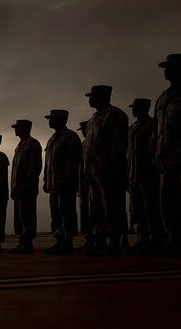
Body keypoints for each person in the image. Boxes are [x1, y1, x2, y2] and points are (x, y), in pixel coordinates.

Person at [83, 85, 129, 257]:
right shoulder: (94, 118)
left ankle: (113, 241)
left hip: (108, 171)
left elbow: (119, 145)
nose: (89, 99)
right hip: (93, 172)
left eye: (92, 96)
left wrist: (113, 166)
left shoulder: (115, 115)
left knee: (111, 206)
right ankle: (99, 240)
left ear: (102, 96)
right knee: (95, 207)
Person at [154, 54, 181, 255]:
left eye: (170, 67)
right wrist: (157, 154)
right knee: (167, 200)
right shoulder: (162, 97)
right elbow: (156, 130)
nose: (166, 70)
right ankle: (174, 239)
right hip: (166, 160)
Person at [127, 98, 165, 254]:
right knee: (137, 209)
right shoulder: (132, 128)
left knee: (151, 207)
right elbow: (128, 153)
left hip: (148, 173)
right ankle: (142, 238)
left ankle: (156, 238)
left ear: (145, 108)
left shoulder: (152, 125)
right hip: (133, 174)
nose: (133, 110)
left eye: (136, 107)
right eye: (133, 107)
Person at [43, 110, 82, 255]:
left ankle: (68, 242)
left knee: (67, 212)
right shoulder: (53, 138)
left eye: (52, 118)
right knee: (56, 214)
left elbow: (73, 162)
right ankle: (59, 241)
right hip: (54, 184)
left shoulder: (70, 137)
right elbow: (48, 162)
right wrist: (46, 180)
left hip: (65, 184)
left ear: (61, 120)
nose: (49, 121)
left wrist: (65, 179)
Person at [10, 120, 43, 254]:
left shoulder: (33, 144)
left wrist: (25, 184)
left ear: (25, 128)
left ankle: (28, 243)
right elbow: (15, 170)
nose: (15, 129)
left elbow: (34, 167)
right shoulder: (19, 146)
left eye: (18, 127)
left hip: (27, 188)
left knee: (27, 216)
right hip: (18, 188)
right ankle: (22, 241)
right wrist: (14, 187)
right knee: (20, 217)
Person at [76, 121, 94, 253]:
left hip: (93, 180)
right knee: (85, 211)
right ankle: (88, 238)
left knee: (94, 210)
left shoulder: (92, 143)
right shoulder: (83, 145)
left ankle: (96, 238)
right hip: (83, 182)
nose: (82, 131)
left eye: (84, 128)